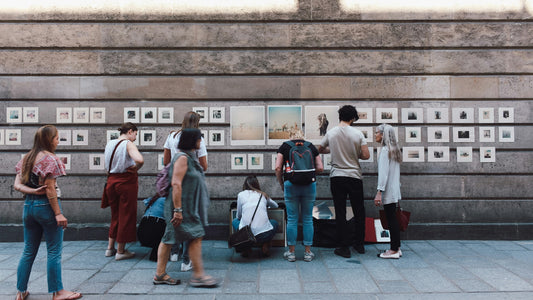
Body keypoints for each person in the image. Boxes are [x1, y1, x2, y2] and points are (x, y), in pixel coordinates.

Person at [14, 125, 82, 300]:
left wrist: (32, 192)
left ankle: (20, 292)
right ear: (49, 140)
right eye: (57, 138)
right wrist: (58, 213)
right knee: (53, 251)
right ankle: (58, 292)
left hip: (28, 207)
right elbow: (51, 189)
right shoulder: (51, 159)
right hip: (46, 207)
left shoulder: (26, 158)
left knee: (28, 250)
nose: (58, 141)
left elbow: (17, 185)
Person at [154, 128, 220, 287]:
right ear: (192, 141)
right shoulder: (182, 158)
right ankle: (197, 275)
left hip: (187, 207)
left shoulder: (189, 158)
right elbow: (176, 183)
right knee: (188, 236)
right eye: (199, 139)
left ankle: (161, 274)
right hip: (180, 207)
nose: (201, 142)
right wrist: (177, 211)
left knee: (175, 238)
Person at [318, 105, 370, 258]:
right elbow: (366, 155)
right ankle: (359, 244)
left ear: (339, 116)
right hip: (354, 176)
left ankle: (343, 247)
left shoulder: (331, 132)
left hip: (337, 176)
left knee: (340, 212)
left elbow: (320, 149)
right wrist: (354, 154)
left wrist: (333, 151)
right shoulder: (358, 133)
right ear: (353, 118)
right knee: (359, 210)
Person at [163, 111, 207, 272]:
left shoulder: (172, 136)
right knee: (190, 220)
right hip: (190, 185)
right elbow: (204, 165)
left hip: (174, 182)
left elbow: (166, 161)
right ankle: (186, 260)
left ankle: (174, 252)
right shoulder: (198, 139)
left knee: (175, 217)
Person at [276, 130, 323, 262]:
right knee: (308, 218)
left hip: (290, 184)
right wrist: (308, 175)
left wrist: (282, 183)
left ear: (290, 136)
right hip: (309, 185)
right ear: (303, 136)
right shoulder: (311, 146)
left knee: (292, 218)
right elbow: (320, 167)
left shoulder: (284, 146)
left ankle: (291, 253)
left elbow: (278, 168)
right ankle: (308, 253)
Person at [103, 123, 144, 260]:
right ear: (131, 131)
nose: (135, 138)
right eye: (135, 135)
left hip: (111, 182)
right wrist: (136, 168)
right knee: (126, 215)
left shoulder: (110, 143)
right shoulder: (127, 143)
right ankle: (121, 251)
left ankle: (110, 248)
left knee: (115, 215)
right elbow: (139, 159)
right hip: (125, 183)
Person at [374, 124, 403, 259]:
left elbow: (383, 174)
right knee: (393, 219)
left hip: (388, 190)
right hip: (394, 189)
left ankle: (393, 250)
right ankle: (396, 247)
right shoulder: (394, 150)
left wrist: (379, 192)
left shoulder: (385, 151)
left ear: (383, 134)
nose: (375, 135)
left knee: (391, 219)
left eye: (377, 133)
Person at [232, 176, 279, 257]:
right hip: (264, 235)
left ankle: (246, 247)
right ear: (257, 184)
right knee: (274, 223)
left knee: (234, 221)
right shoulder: (262, 195)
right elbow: (276, 205)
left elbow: (238, 216)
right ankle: (265, 244)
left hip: (247, 235)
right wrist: (267, 207)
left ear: (244, 185)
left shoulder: (241, 195)